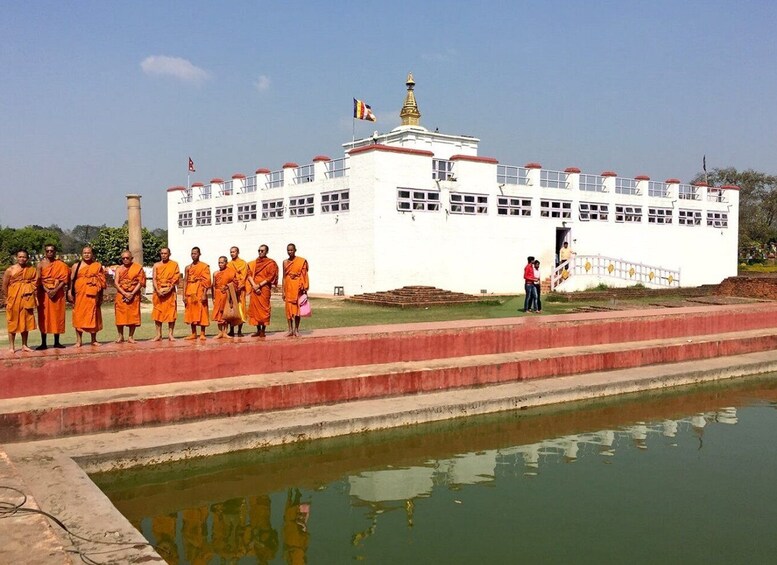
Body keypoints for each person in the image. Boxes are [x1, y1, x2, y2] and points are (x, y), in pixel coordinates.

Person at [70, 246, 106, 347]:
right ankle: (78, 340)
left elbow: (102, 282)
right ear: (82, 254)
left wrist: (101, 296)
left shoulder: (97, 266)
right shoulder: (76, 266)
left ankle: (93, 340)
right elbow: (71, 281)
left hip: (93, 294)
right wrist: (69, 292)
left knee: (93, 315)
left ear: (92, 254)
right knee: (78, 316)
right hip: (80, 294)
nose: (86, 254)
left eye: (89, 253)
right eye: (85, 253)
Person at [3, 249, 38, 353]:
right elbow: (5, 286)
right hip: (13, 299)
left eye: (24, 257)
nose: (22, 259)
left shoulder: (31, 269)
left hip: (26, 298)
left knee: (26, 322)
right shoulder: (10, 270)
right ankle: (11, 347)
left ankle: (24, 345)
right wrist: (6, 299)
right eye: (20, 257)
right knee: (12, 322)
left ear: (27, 258)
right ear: (16, 257)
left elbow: (35, 283)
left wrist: (27, 288)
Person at [36, 243, 69, 349]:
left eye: (52, 251)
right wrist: (47, 290)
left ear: (55, 252)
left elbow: (64, 280)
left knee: (57, 316)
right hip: (44, 294)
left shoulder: (60, 264)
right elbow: (38, 280)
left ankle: (57, 342)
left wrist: (55, 290)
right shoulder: (40, 265)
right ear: (45, 252)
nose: (50, 252)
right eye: (47, 251)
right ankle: (43, 343)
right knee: (44, 317)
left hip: (57, 293)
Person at [113, 250, 146, 343]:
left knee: (133, 315)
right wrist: (124, 293)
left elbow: (141, 282)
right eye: (123, 258)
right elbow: (116, 282)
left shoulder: (138, 268)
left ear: (131, 258)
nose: (125, 259)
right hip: (121, 294)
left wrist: (132, 293)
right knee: (120, 316)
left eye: (127, 258)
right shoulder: (119, 269)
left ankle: (131, 336)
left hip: (134, 294)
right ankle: (120, 336)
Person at [247, 244, 279, 337]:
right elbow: (248, 274)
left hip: (264, 288)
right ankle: (258, 330)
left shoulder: (271, 263)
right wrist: (254, 285)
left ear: (267, 252)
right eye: (259, 250)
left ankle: (263, 330)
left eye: (262, 251)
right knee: (255, 309)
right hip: (254, 287)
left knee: (264, 309)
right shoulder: (253, 263)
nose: (260, 252)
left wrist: (259, 285)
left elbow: (271, 276)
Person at [152, 247, 180, 341]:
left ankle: (170, 334)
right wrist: (158, 290)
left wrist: (169, 289)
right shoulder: (156, 265)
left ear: (169, 254)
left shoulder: (174, 264)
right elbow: (154, 279)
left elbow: (176, 278)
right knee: (157, 313)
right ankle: (158, 335)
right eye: (162, 253)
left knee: (171, 313)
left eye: (165, 253)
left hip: (170, 292)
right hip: (158, 292)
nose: (163, 255)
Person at [183, 247, 211, 340]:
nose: (193, 255)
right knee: (191, 312)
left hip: (200, 290)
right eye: (192, 253)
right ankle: (193, 333)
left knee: (202, 311)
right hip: (190, 291)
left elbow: (207, 281)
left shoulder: (204, 266)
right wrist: (184, 295)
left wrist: (204, 294)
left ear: (199, 254)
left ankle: (202, 333)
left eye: (195, 253)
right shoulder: (188, 267)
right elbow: (185, 281)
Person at [282, 243, 309, 337]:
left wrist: (305, 288)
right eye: (288, 250)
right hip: (288, 287)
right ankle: (290, 330)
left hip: (298, 288)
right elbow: (284, 277)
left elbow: (304, 275)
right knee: (288, 310)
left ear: (295, 250)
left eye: (291, 250)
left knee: (297, 310)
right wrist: (283, 291)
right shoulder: (285, 262)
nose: (290, 252)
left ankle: (296, 329)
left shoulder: (301, 261)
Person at [212, 256, 236, 339]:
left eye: (222, 262)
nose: (220, 264)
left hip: (226, 294)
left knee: (225, 313)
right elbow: (213, 286)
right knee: (219, 313)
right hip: (218, 294)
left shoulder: (231, 272)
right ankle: (219, 332)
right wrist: (213, 297)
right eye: (219, 262)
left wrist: (227, 286)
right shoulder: (215, 273)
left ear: (226, 263)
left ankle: (225, 332)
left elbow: (235, 283)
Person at [227, 246, 248, 337]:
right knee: (231, 308)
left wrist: (240, 285)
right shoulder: (229, 264)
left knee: (241, 309)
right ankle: (231, 330)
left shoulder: (243, 263)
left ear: (238, 252)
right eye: (231, 252)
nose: (232, 254)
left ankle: (239, 331)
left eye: (234, 252)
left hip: (241, 289)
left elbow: (244, 275)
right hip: (231, 289)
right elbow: (228, 276)